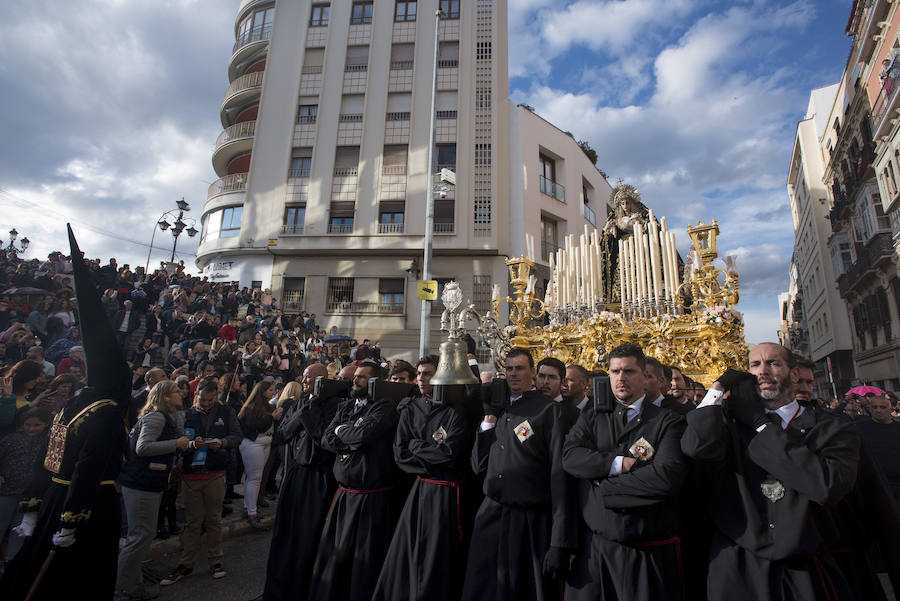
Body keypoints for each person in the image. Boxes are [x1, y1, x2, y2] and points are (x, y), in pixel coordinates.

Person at [0, 226, 133, 601]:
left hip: (52, 499)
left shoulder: (73, 403)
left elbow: (49, 457)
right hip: (89, 506)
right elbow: (87, 468)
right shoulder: (105, 412)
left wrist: (32, 504)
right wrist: (74, 517)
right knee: (79, 579)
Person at [680, 342, 861, 601]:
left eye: (773, 363)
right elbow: (695, 447)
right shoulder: (730, 426)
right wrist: (717, 389)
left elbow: (828, 485)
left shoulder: (832, 428)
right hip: (739, 564)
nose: (762, 371)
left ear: (794, 373)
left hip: (803, 566)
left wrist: (761, 426)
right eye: (755, 365)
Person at [562, 344, 688, 601]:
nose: (621, 378)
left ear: (645, 376)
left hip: (645, 553)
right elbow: (571, 457)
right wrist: (618, 464)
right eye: (615, 371)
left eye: (629, 371)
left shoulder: (667, 421)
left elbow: (665, 478)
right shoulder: (593, 417)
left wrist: (602, 488)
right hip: (595, 552)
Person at [461, 347, 577, 601]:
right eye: (509, 369)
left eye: (520, 368)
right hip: (491, 515)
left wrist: (560, 540)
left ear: (533, 373)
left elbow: (559, 476)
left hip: (529, 522)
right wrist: (489, 418)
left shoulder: (549, 411)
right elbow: (478, 466)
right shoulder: (500, 410)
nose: (514, 374)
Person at [372, 356, 473, 601]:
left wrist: (417, 446)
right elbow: (401, 453)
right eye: (419, 373)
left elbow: (449, 453)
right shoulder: (410, 408)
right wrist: (427, 453)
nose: (421, 379)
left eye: (427, 373)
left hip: (446, 492)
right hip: (420, 488)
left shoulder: (456, 411)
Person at [308, 361, 400, 601]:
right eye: (355, 377)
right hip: (343, 496)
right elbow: (326, 440)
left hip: (371, 500)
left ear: (374, 382)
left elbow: (362, 436)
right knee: (335, 558)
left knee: (363, 562)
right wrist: (341, 434)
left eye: (361, 377)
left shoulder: (385, 407)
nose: (355, 381)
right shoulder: (347, 406)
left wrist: (341, 432)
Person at [256, 363, 334, 601]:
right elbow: (284, 433)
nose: (305, 380)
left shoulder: (333, 406)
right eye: (305, 377)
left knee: (306, 537)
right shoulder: (297, 404)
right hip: (295, 474)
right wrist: (304, 410)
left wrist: (312, 411)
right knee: (285, 534)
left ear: (323, 380)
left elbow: (322, 438)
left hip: (317, 478)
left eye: (311, 378)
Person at [160, 378, 241, 586]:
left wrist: (221, 443)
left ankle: (216, 561)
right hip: (191, 475)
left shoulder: (226, 412)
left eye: (209, 400)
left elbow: (236, 437)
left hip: (215, 472)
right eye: (202, 399)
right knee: (193, 522)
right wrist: (188, 445)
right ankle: (186, 563)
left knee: (213, 520)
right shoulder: (186, 415)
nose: (205, 404)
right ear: (196, 396)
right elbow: (176, 442)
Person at [116, 380, 189, 601]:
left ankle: (132, 580)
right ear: (165, 397)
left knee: (140, 534)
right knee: (140, 536)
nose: (181, 394)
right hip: (141, 483)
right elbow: (143, 447)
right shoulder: (157, 417)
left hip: (146, 482)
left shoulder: (163, 417)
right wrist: (177, 443)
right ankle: (125, 587)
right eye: (176, 391)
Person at [0, 407, 52, 567]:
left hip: (31, 495)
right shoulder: (11, 439)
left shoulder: (48, 442)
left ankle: (12, 562)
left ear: (45, 424)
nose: (31, 428)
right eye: (28, 425)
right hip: (7, 489)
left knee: (20, 529)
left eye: (37, 425)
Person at [238, 381, 282, 528]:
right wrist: (272, 418)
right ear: (262, 391)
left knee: (255, 478)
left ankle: (249, 507)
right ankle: (251, 513)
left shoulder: (267, 405)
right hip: (253, 444)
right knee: (254, 478)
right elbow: (255, 426)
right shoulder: (251, 407)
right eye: (270, 390)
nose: (272, 393)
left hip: (265, 443)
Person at [856, 394, 900, 502]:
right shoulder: (858, 428)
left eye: (883, 407)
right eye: (875, 407)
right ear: (870, 409)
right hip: (873, 484)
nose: (878, 410)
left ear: (891, 409)